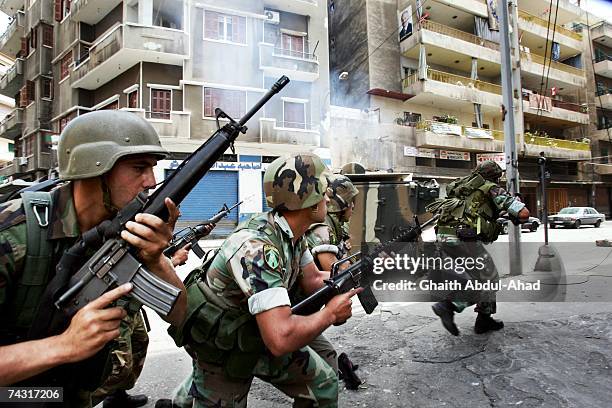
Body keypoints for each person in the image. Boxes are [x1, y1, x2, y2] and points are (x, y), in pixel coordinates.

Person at [0, 110, 187, 407]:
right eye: (139, 168)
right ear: (94, 168)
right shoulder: (15, 234)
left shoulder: (125, 231)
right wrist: (64, 345)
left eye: (152, 168)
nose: (151, 181)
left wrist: (155, 261)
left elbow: (182, 317)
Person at [169, 154, 362, 407]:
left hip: (257, 327)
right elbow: (280, 338)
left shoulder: (293, 234)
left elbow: (313, 280)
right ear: (310, 201)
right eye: (324, 191)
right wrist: (330, 315)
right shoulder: (257, 247)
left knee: (323, 384)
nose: (328, 198)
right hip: (222, 341)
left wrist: (361, 273)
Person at [426, 160, 530, 336]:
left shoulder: (461, 185)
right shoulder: (491, 188)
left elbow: (472, 210)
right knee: (490, 278)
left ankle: (484, 319)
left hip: (444, 236)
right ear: (495, 177)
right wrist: (516, 210)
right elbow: (523, 213)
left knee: (479, 277)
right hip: (463, 239)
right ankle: (449, 306)